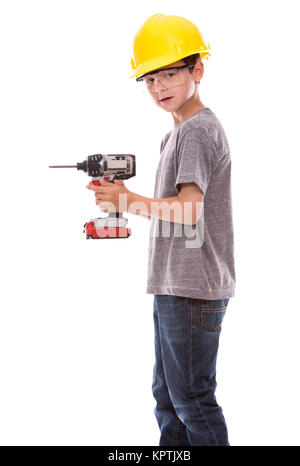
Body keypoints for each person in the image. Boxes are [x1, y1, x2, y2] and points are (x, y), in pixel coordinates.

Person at [87, 13, 236, 446]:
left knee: (191, 400)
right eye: (150, 79)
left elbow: (190, 210)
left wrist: (127, 202)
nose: (159, 88)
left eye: (170, 74)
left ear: (198, 70)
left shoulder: (198, 131)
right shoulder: (176, 134)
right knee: (168, 398)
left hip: (192, 287)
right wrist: (124, 198)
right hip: (176, 284)